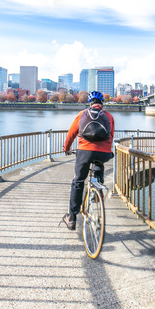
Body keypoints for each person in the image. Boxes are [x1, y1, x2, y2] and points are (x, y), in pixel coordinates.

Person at [61, 91, 115, 230]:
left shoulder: (82, 114)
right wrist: (107, 151)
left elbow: (71, 133)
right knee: (99, 164)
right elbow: (111, 136)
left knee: (78, 181)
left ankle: (72, 217)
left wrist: (66, 148)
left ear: (90, 103)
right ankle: (98, 191)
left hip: (85, 152)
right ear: (102, 104)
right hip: (103, 153)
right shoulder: (109, 117)